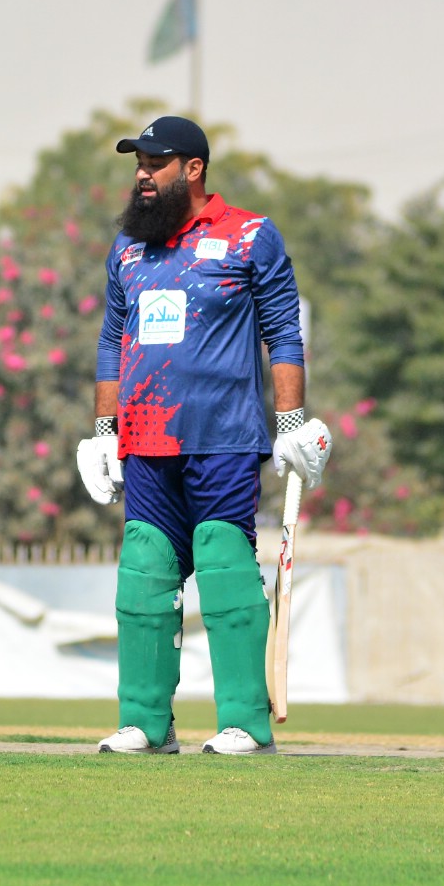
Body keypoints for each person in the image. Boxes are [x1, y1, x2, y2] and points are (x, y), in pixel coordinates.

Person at [75, 116, 330, 756]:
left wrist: (291, 422)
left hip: (224, 437)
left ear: (193, 168)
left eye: (155, 162)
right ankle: (145, 722)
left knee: (223, 566)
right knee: (144, 575)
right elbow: (111, 342)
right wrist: (103, 432)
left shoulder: (250, 235)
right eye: (138, 163)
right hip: (145, 442)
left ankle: (246, 722)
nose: (142, 174)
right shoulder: (128, 248)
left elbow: (283, 332)